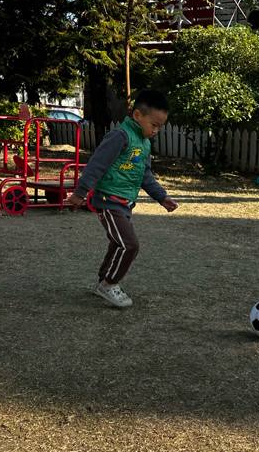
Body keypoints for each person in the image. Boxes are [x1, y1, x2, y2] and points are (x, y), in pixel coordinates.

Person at [67, 89, 178, 307]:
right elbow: (97, 164)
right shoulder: (120, 136)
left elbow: (145, 175)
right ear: (137, 115)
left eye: (159, 127)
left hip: (125, 203)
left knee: (118, 243)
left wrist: (161, 197)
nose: (155, 131)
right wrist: (81, 192)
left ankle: (103, 281)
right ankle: (109, 284)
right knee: (129, 244)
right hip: (108, 200)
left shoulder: (144, 143)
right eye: (153, 125)